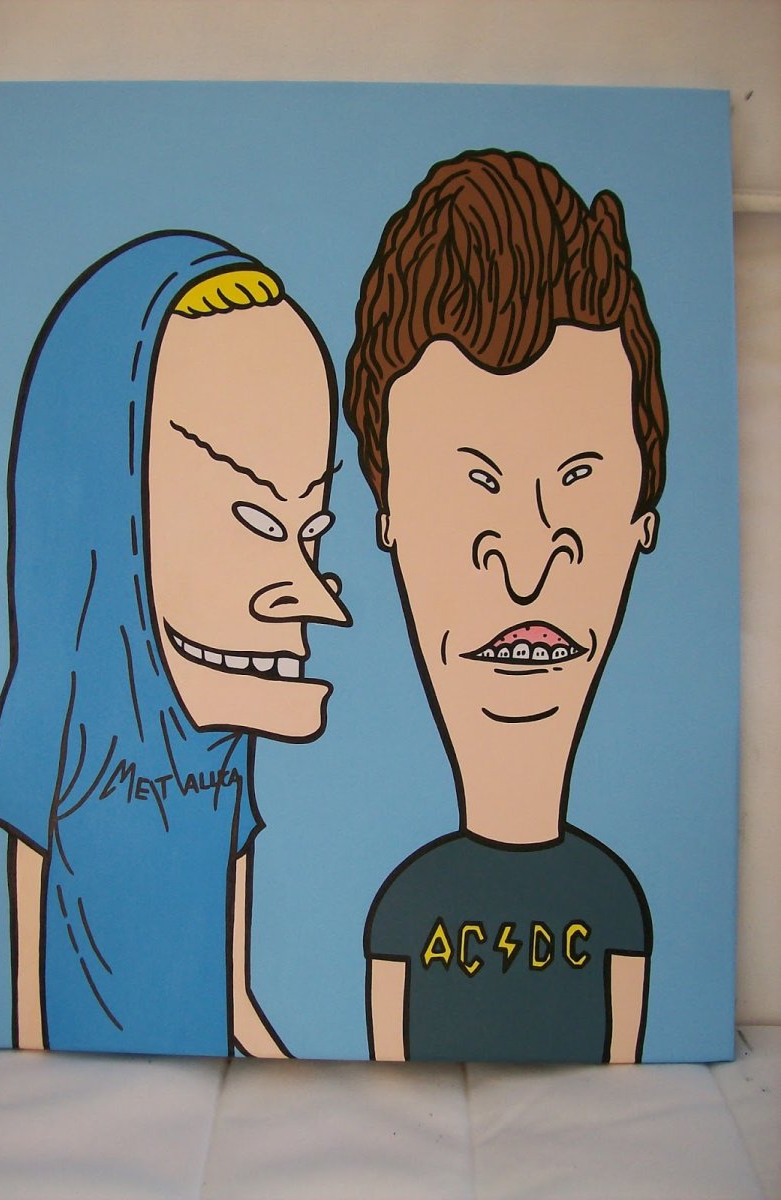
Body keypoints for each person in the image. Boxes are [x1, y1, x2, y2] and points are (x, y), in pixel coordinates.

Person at [0, 230, 350, 1057]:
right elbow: (23, 993)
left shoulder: (223, 741)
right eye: (254, 523)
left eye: (311, 531)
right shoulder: (48, 724)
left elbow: (233, 994)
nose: (315, 598)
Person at [344, 150, 668, 1063]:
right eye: (471, 486)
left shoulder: (614, 901)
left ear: (641, 519)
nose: (526, 564)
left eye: (578, 477)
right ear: (388, 523)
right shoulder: (402, 908)